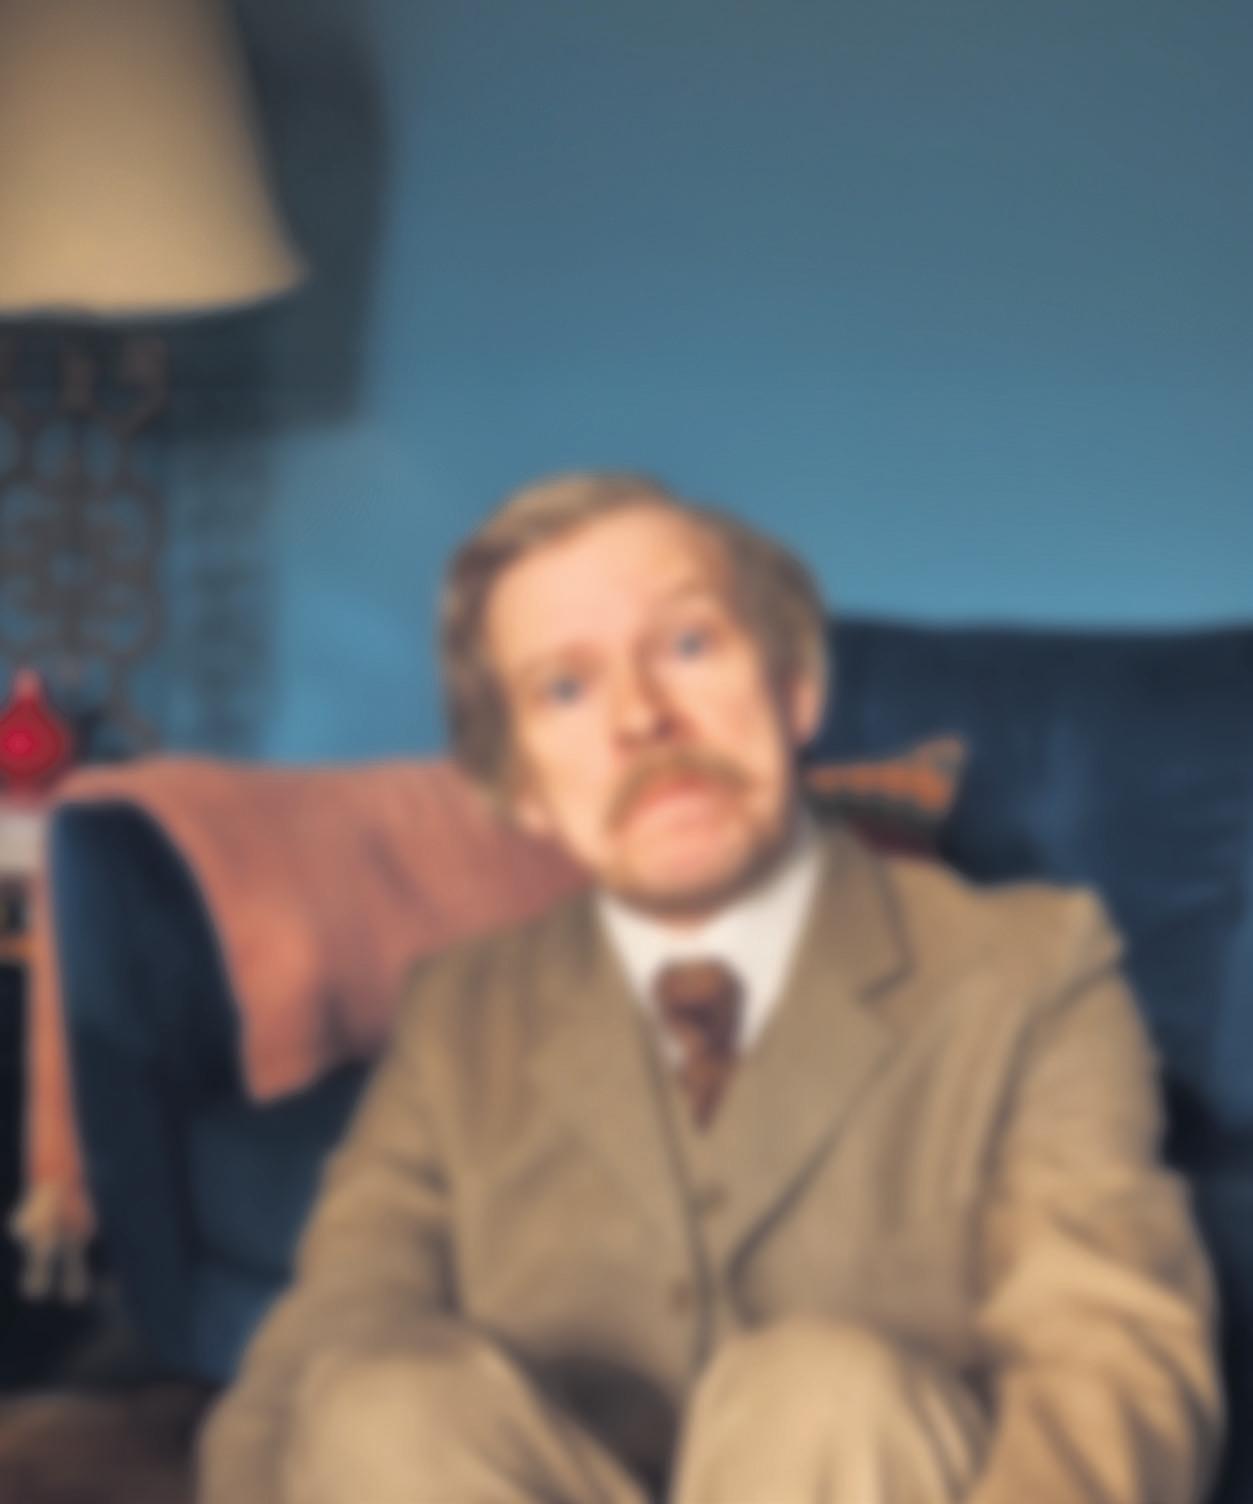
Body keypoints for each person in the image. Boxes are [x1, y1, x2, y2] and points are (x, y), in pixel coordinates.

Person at [198, 472, 1223, 1504]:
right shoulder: (458, 1009)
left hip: (868, 1463)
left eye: (688, 645)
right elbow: (324, 1334)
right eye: (564, 689)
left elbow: (1108, 1346)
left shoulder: (1032, 964)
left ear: (795, 689)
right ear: (520, 787)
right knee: (374, 1401)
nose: (642, 716)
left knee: (821, 1388)